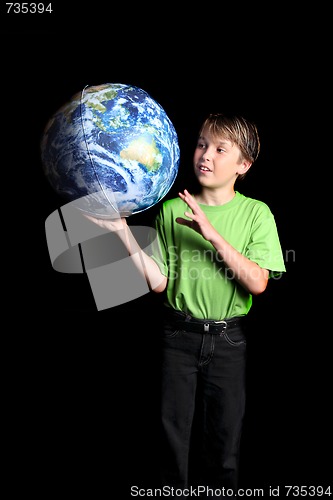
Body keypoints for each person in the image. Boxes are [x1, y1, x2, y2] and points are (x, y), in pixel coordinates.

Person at [85, 113, 286, 494]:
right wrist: (122, 233)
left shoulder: (256, 213)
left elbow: (258, 282)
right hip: (177, 337)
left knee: (224, 446)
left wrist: (212, 235)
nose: (205, 155)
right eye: (201, 144)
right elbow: (160, 282)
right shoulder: (171, 210)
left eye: (220, 149)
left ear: (243, 166)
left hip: (228, 342)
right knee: (170, 441)